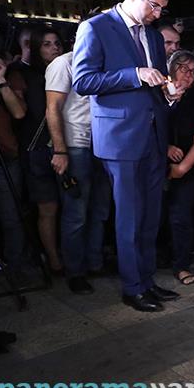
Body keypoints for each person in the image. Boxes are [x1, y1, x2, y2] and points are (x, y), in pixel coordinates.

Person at [73, 0, 182, 312]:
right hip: (120, 139)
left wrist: (169, 94)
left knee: (151, 215)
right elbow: (84, 81)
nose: (157, 14)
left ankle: (148, 281)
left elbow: (156, 85)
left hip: (153, 134)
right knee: (129, 217)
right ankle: (132, 287)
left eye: (162, 9)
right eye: (154, 6)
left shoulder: (151, 35)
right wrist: (133, 75)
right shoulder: (95, 28)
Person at [46, 29, 111, 295]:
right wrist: (60, 151)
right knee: (76, 214)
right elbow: (52, 109)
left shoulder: (105, 63)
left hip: (103, 144)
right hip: (75, 146)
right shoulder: (64, 62)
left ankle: (94, 262)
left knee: (100, 210)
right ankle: (75, 271)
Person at [7, 27, 64, 275]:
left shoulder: (65, 69)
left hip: (67, 145)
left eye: (57, 43)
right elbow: (19, 112)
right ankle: (54, 260)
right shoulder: (22, 73)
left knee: (71, 206)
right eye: (47, 44)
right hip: (37, 148)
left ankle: (69, 255)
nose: (54, 48)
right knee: (47, 208)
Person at [163, 50, 194, 285]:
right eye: (183, 68)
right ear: (170, 69)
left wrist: (181, 168)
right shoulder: (156, 92)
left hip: (188, 164)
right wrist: (166, 148)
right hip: (156, 162)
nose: (188, 74)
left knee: (181, 216)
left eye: (193, 71)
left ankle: (181, 265)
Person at [0, 58, 28, 271]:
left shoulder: (10, 74)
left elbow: (18, 112)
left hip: (6, 157)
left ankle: (16, 267)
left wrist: (0, 80)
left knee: (11, 216)